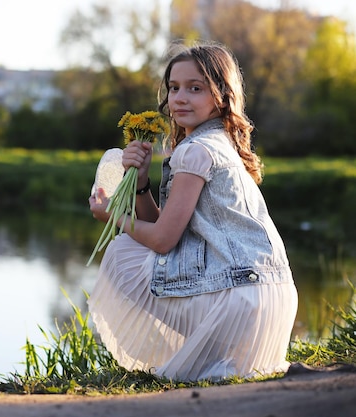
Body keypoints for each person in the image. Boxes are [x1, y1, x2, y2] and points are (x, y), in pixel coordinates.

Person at [87, 42, 298, 382]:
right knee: (138, 249)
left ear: (222, 96)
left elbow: (162, 240)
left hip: (241, 303)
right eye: (174, 88)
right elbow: (165, 226)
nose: (180, 98)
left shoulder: (194, 151)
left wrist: (113, 215)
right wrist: (141, 183)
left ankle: (206, 348)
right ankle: (212, 348)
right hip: (274, 299)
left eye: (195, 88)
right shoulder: (219, 142)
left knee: (122, 250)